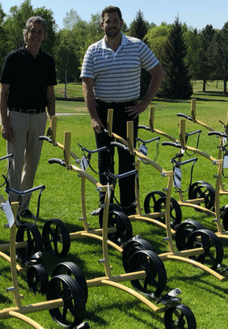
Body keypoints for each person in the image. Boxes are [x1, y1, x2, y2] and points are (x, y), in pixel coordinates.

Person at [80, 6, 165, 216]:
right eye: (107, 21)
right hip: (102, 111)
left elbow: (158, 73)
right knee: (104, 158)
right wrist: (93, 117)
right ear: (102, 24)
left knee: (128, 158)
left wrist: (143, 104)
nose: (111, 25)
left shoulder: (137, 46)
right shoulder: (93, 50)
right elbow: (86, 85)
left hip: (128, 111)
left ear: (122, 23)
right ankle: (105, 205)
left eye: (115, 20)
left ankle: (128, 207)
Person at [0, 16, 56, 220]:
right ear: (26, 33)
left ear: (44, 36)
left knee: (32, 165)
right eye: (33, 31)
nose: (36, 35)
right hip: (17, 116)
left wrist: (52, 121)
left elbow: (50, 94)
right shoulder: (13, 58)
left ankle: (24, 208)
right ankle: (13, 209)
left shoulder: (48, 61)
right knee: (15, 164)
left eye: (40, 32)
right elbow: (3, 93)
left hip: (39, 117)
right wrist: (5, 123)